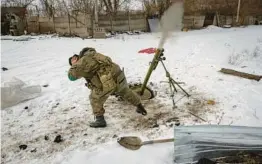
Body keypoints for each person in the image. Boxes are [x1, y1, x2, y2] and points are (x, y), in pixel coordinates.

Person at [68, 47, 147, 128]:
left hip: (107, 82)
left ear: (77, 58)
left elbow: (71, 77)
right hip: (118, 74)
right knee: (125, 91)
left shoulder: (81, 63)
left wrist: (74, 65)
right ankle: (140, 106)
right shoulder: (93, 54)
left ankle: (100, 120)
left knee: (94, 98)